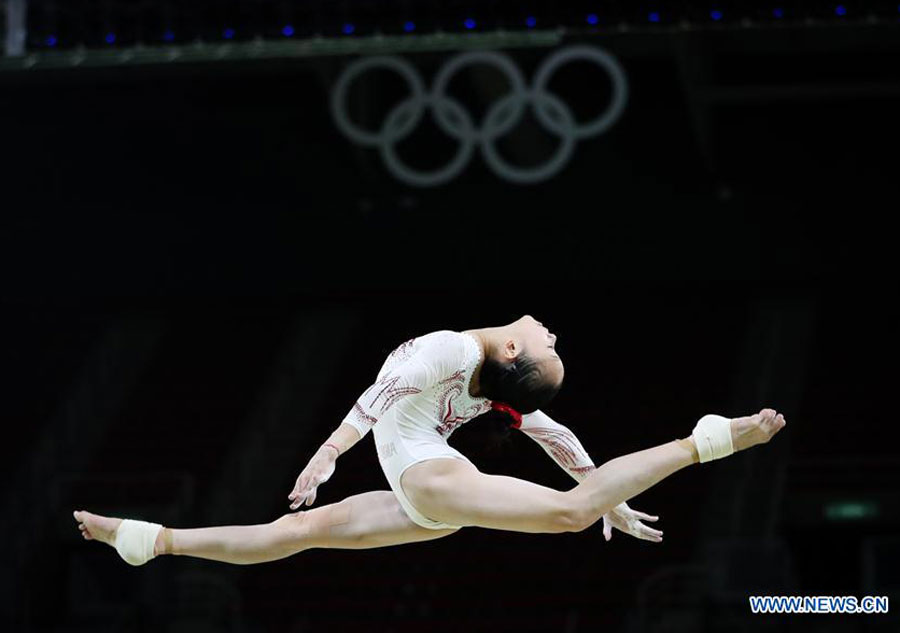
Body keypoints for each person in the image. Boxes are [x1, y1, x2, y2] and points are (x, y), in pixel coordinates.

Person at [73, 315, 786, 566]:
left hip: (428, 478)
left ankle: (710, 440)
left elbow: (378, 396)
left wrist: (328, 452)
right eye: (556, 344)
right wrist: (607, 489)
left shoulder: (451, 349)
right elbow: (553, 434)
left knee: (572, 510)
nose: (552, 333)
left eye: (549, 345)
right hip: (420, 500)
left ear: (514, 349)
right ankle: (151, 540)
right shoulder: (483, 380)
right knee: (288, 534)